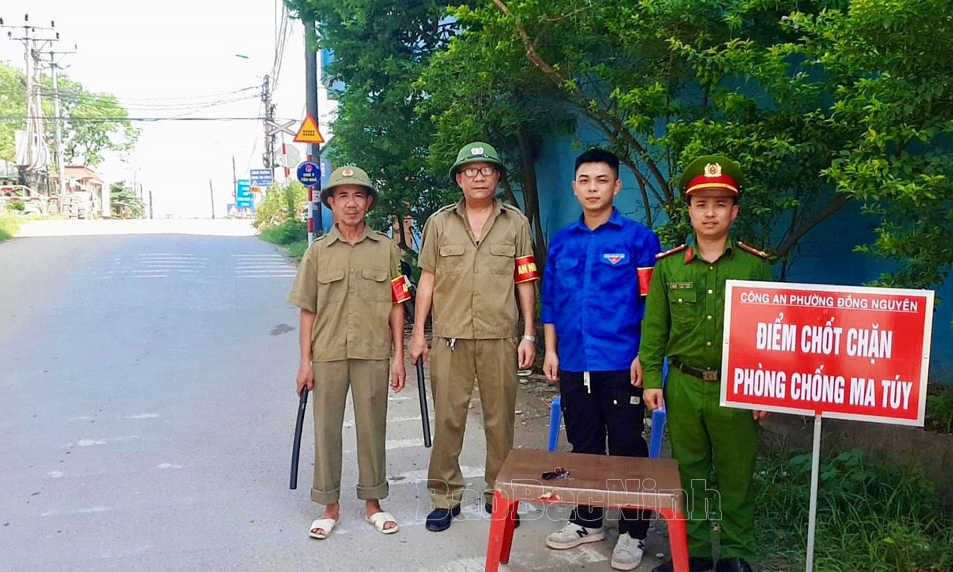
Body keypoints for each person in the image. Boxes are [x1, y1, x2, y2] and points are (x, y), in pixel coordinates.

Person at [639, 155, 773, 572]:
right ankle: (693, 554)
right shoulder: (669, 265)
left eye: (720, 203)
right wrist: (650, 379)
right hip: (683, 384)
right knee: (691, 473)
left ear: (734, 211)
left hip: (737, 386)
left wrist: (764, 389)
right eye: (701, 203)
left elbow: (771, 334)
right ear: (690, 210)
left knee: (736, 475)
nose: (710, 212)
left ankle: (736, 555)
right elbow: (655, 325)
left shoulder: (756, 266)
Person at [540, 149, 661, 571]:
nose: (593, 187)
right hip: (574, 360)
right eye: (585, 180)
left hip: (621, 361)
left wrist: (646, 354)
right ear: (575, 186)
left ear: (616, 186)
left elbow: (652, 304)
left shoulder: (638, 239)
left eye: (602, 180)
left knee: (626, 446)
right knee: (584, 444)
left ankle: (633, 531)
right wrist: (551, 350)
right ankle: (587, 520)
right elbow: (551, 299)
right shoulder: (562, 240)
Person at [409, 142, 539, 532]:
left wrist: (528, 334)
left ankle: (499, 495)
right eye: (470, 170)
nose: (479, 176)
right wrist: (419, 333)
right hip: (450, 337)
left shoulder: (515, 222)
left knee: (500, 422)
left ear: (498, 177)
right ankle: (445, 498)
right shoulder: (439, 223)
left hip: (499, 336)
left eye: (487, 169)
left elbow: (526, 279)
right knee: (449, 418)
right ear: (459, 179)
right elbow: (427, 280)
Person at [287, 166, 411, 540]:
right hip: (327, 354)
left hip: (373, 351)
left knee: (372, 428)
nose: (351, 204)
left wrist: (399, 356)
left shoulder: (387, 249)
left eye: (358, 196)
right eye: (342, 196)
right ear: (331, 204)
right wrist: (305, 362)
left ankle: (374, 503)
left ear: (368, 202)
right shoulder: (318, 253)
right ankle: (329, 506)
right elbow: (307, 309)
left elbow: (397, 305)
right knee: (326, 429)